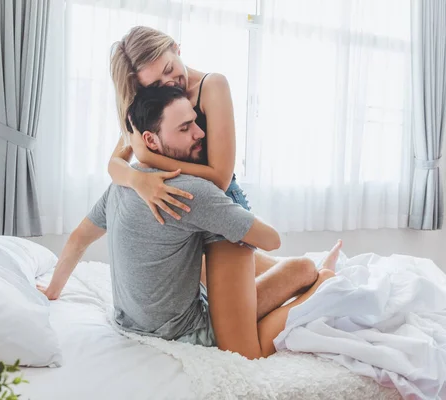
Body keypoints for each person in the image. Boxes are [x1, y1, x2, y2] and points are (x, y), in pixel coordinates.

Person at [39, 86, 339, 359]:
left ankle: (289, 274)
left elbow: (80, 236)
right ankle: (324, 282)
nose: (199, 133)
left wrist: (54, 289)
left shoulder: (123, 184)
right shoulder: (188, 190)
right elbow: (271, 239)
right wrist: (222, 212)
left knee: (205, 257)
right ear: (150, 140)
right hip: (184, 332)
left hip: (130, 321)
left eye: (195, 121)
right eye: (185, 128)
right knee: (301, 267)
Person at [106, 25, 340, 302]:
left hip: (218, 202)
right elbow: (114, 165)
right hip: (184, 212)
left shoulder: (212, 86)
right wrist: (138, 179)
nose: (168, 84)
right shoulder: (147, 100)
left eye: (169, 68)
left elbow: (220, 177)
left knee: (245, 302)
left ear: (177, 49)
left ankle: (317, 278)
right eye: (155, 84)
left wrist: (148, 159)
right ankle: (316, 273)